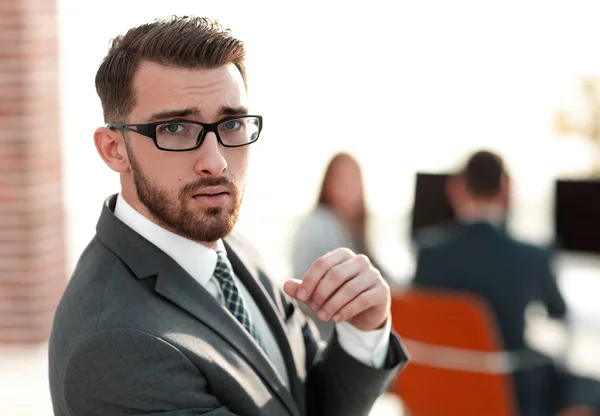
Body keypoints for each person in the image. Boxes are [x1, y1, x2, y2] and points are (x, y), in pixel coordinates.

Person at [48, 16, 407, 416]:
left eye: (232, 123)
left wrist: (363, 328)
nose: (215, 162)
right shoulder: (115, 348)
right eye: (175, 128)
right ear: (114, 149)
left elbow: (309, 403)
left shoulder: (229, 247)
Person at [412, 150, 599, 415]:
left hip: (442, 391)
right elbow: (559, 313)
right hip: (512, 394)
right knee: (587, 385)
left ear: (456, 189)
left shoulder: (428, 253)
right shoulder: (532, 256)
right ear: (507, 191)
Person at [291, 152, 386, 340]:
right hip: (323, 337)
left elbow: (379, 274)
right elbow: (310, 292)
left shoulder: (353, 228)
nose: (349, 191)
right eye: (342, 182)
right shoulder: (319, 225)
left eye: (354, 182)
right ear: (327, 186)